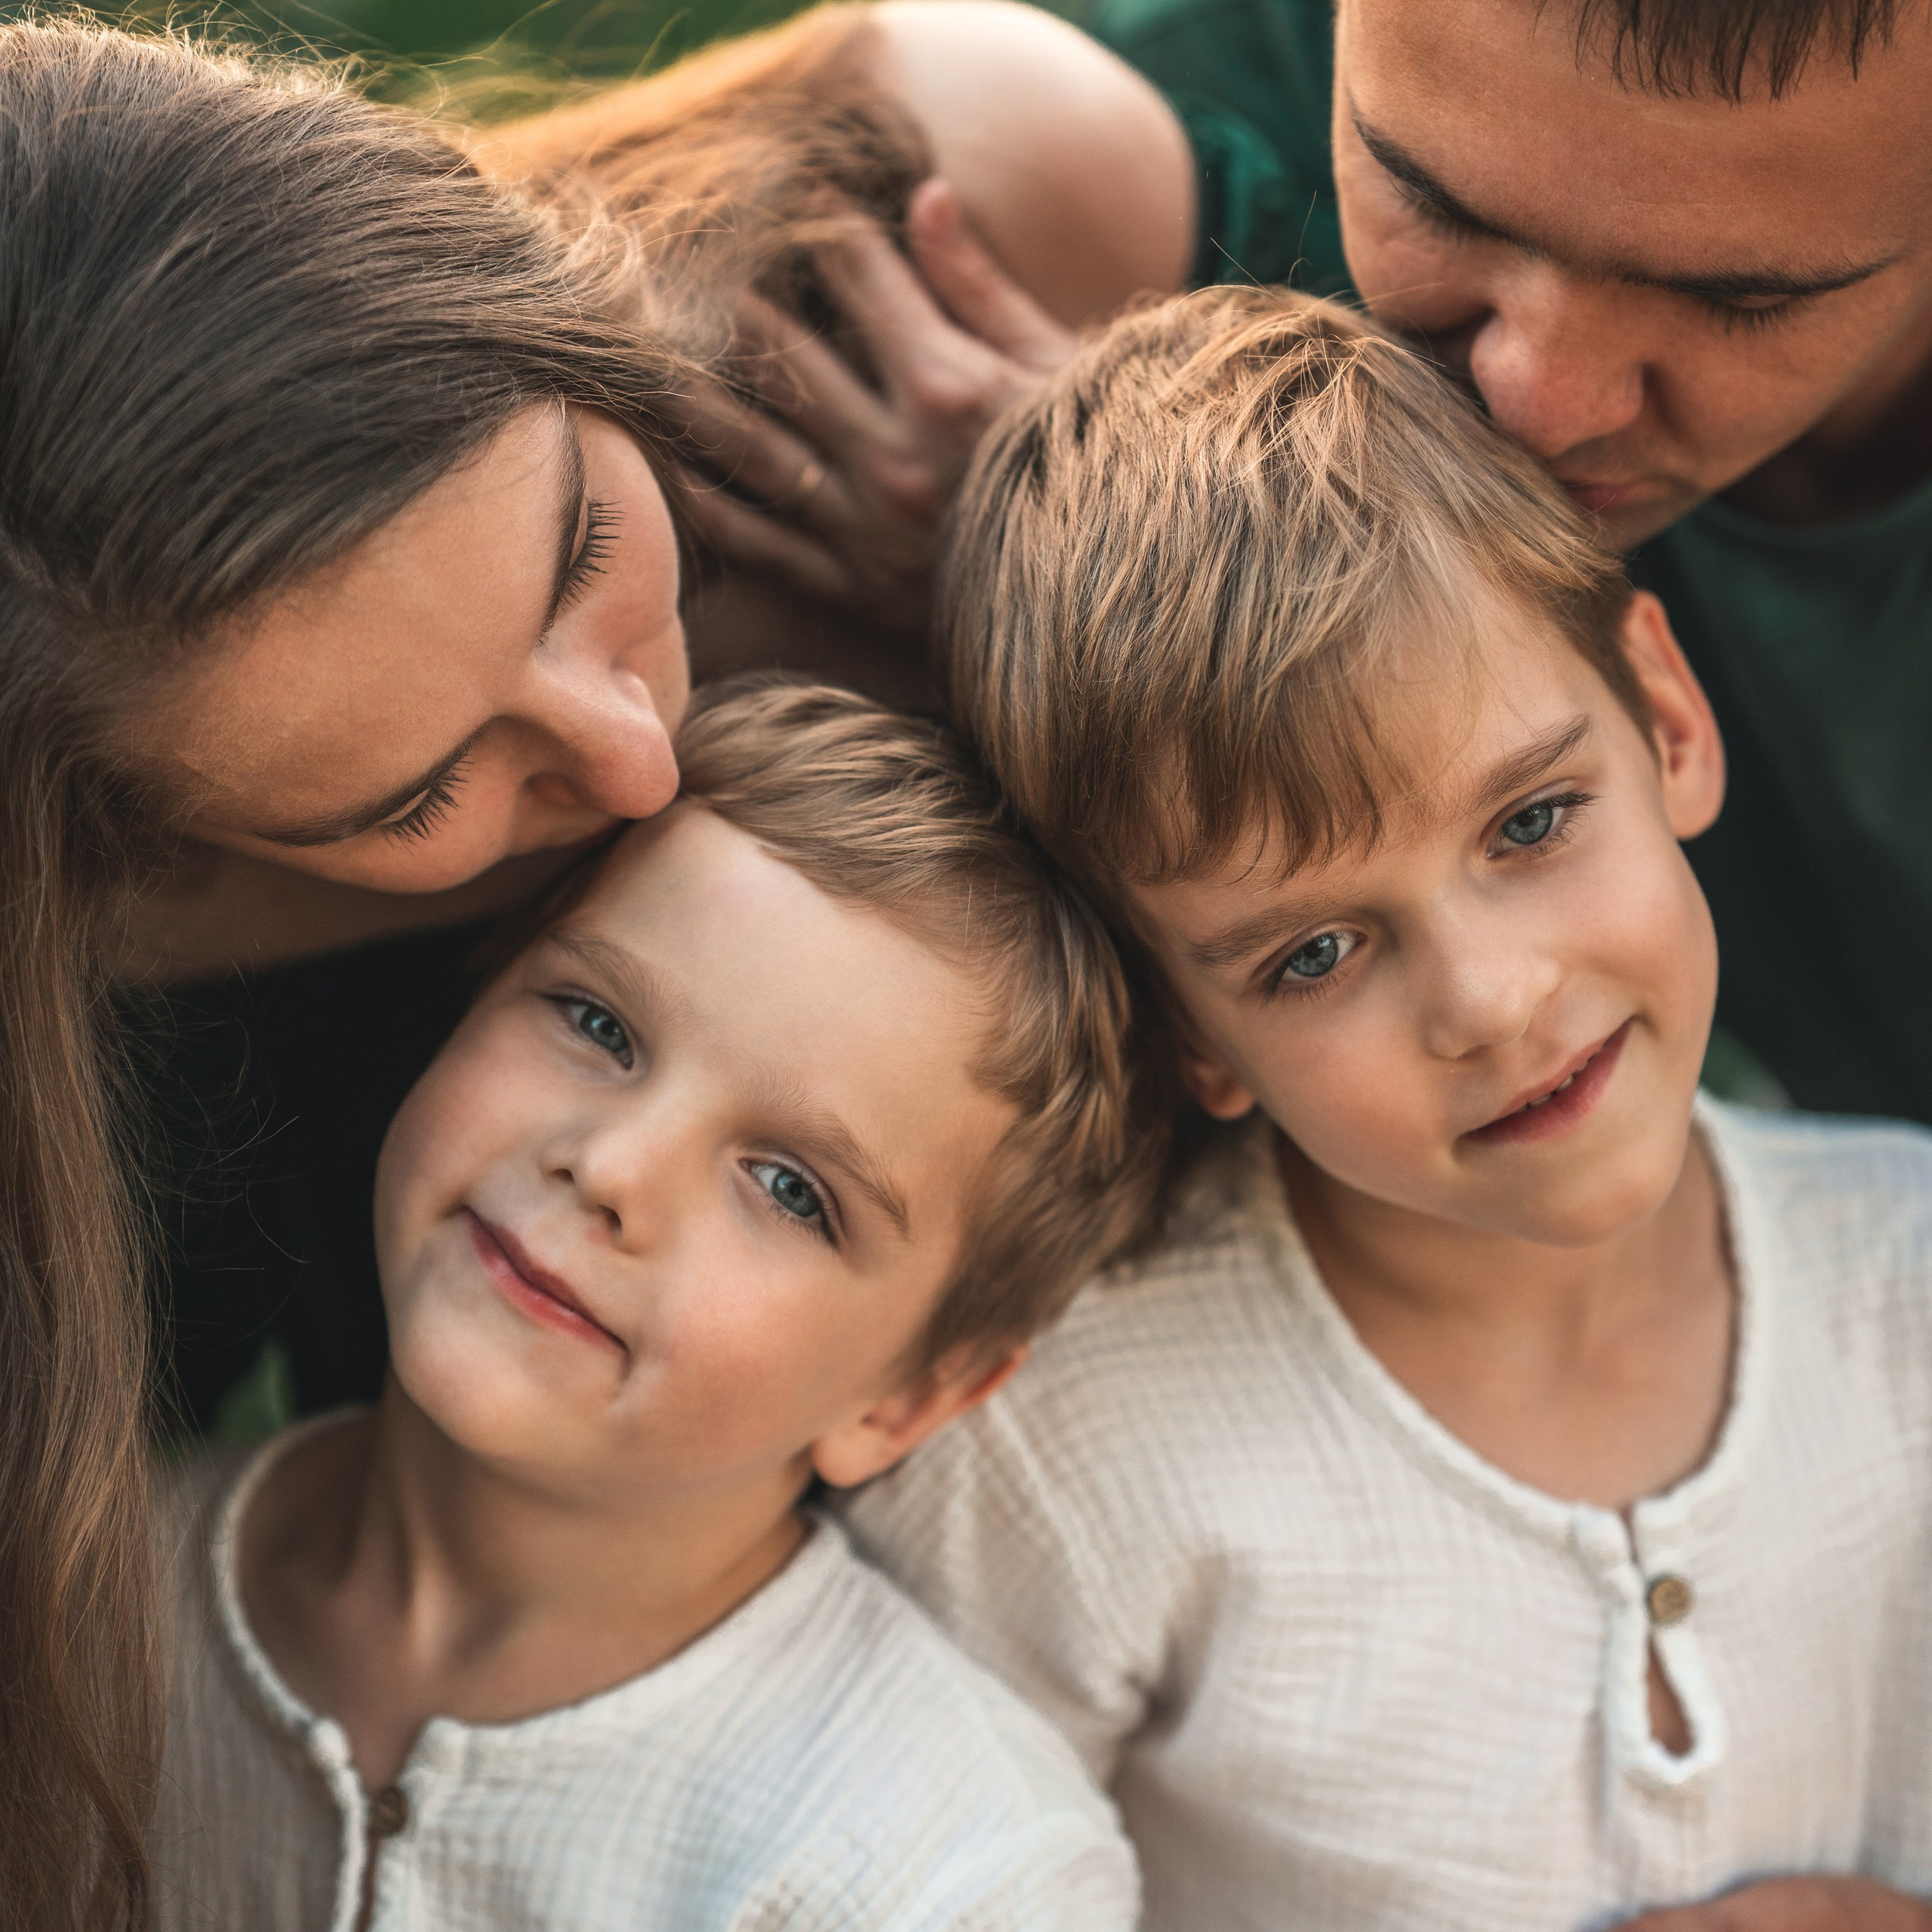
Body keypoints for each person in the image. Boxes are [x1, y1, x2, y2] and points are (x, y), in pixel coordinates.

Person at [846, 289, 1932, 1932]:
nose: (1487, 1001)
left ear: (1666, 718)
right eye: (1313, 954)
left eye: (1531, 821)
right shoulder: (1058, 1450)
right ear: (1188, 1029)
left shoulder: (1906, 1281)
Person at [716, 0, 1932, 1126]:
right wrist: (1056, 595)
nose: (1535, 403)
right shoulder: (1106, 153)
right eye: (1433, 202)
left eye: (1742, 302)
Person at [151, 680, 1161, 1930]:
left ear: (907, 1400)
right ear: (474, 991)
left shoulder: (954, 1874)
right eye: (597, 1023)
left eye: (790, 1189)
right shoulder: (79, 1584)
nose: (610, 1167)